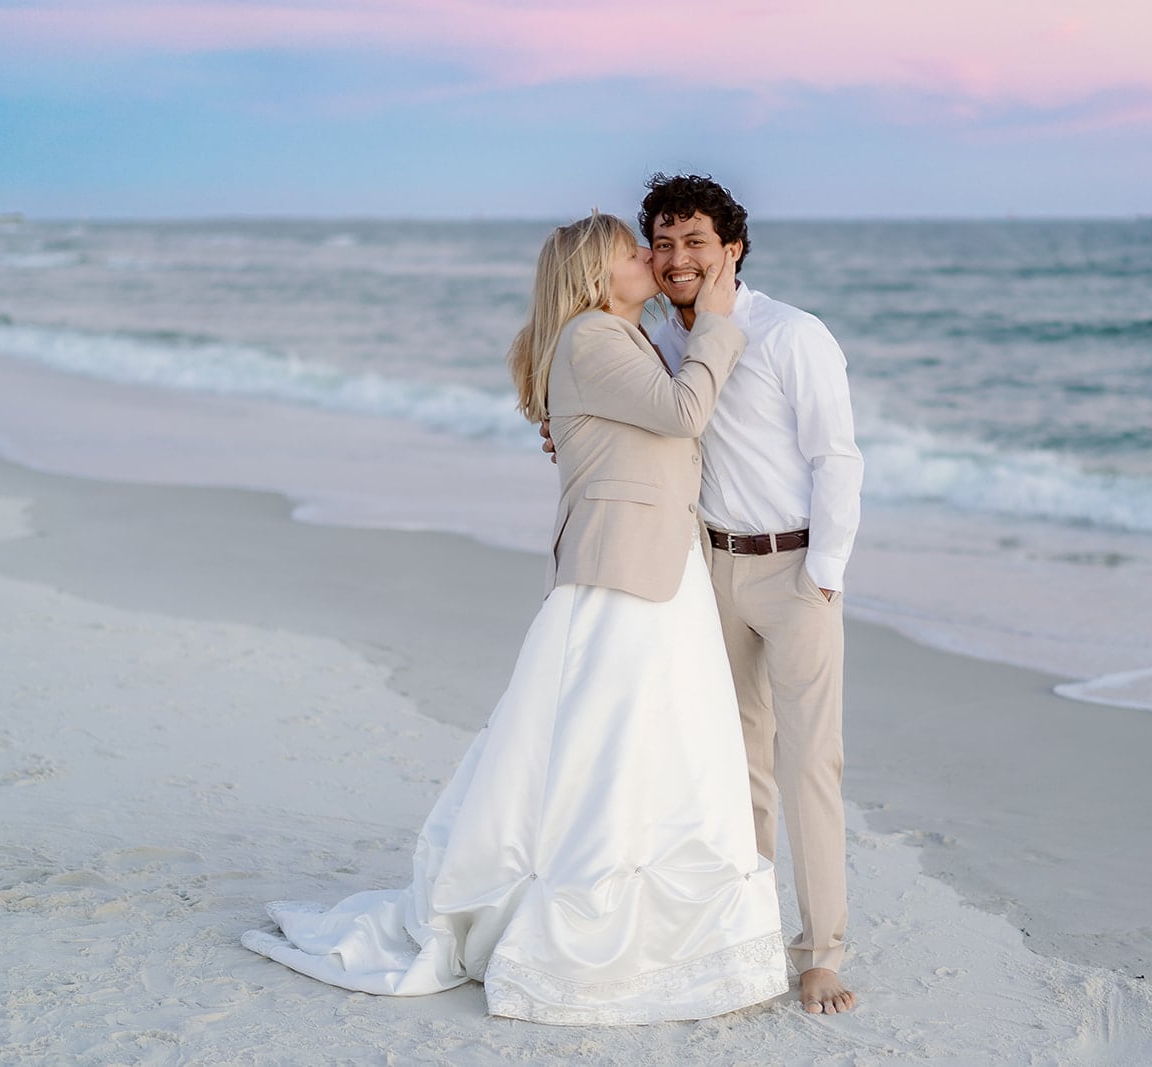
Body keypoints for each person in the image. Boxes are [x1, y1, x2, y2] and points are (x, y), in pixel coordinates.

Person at [242, 212, 788, 1025]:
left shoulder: (615, 336)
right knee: (608, 741)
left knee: (644, 740)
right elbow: (681, 415)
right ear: (595, 275)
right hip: (622, 571)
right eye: (634, 252)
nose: (649, 259)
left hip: (654, 562)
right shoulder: (591, 340)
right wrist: (715, 325)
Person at [547, 176, 864, 1014]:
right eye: (663, 240)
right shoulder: (651, 337)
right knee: (734, 769)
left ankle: (820, 952)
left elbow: (838, 458)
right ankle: (744, 938)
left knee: (810, 768)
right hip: (706, 571)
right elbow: (631, 417)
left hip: (796, 572)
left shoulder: (793, 335)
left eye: (695, 242)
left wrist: (825, 573)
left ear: (733, 249)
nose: (677, 257)